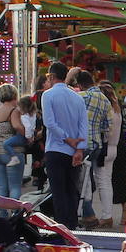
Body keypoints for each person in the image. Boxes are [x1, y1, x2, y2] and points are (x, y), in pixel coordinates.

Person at [41, 61, 89, 227]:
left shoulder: (47, 95)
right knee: (71, 190)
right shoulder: (77, 97)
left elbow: (50, 123)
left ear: (52, 76)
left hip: (55, 148)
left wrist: (66, 138)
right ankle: (73, 224)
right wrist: (79, 149)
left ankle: (62, 226)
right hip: (74, 151)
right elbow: (84, 125)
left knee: (58, 192)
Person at [77, 70, 111, 228]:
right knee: (88, 181)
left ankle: (88, 214)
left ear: (80, 84)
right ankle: (87, 213)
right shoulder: (105, 99)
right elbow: (107, 125)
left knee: (82, 182)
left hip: (83, 143)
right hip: (97, 143)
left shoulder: (82, 96)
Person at [0, 84, 28, 200]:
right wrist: (27, 133)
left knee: (0, 187)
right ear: (14, 95)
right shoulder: (14, 111)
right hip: (12, 153)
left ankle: (2, 215)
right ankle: (14, 214)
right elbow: (16, 126)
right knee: (14, 187)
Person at [94, 82, 125, 229]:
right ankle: (107, 214)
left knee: (102, 182)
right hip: (114, 148)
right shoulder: (117, 111)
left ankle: (107, 216)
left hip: (105, 149)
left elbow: (105, 131)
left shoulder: (106, 112)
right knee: (106, 181)